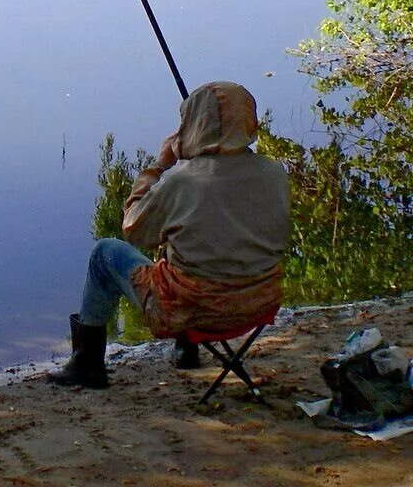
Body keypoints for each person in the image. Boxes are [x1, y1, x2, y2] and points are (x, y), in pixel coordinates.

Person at [49, 81, 290, 389]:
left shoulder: (182, 180)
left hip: (191, 312)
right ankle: (185, 349)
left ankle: (86, 364)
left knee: (105, 253)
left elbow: (134, 229)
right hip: (259, 304)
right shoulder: (274, 173)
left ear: (194, 124)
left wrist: (160, 164)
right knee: (188, 243)